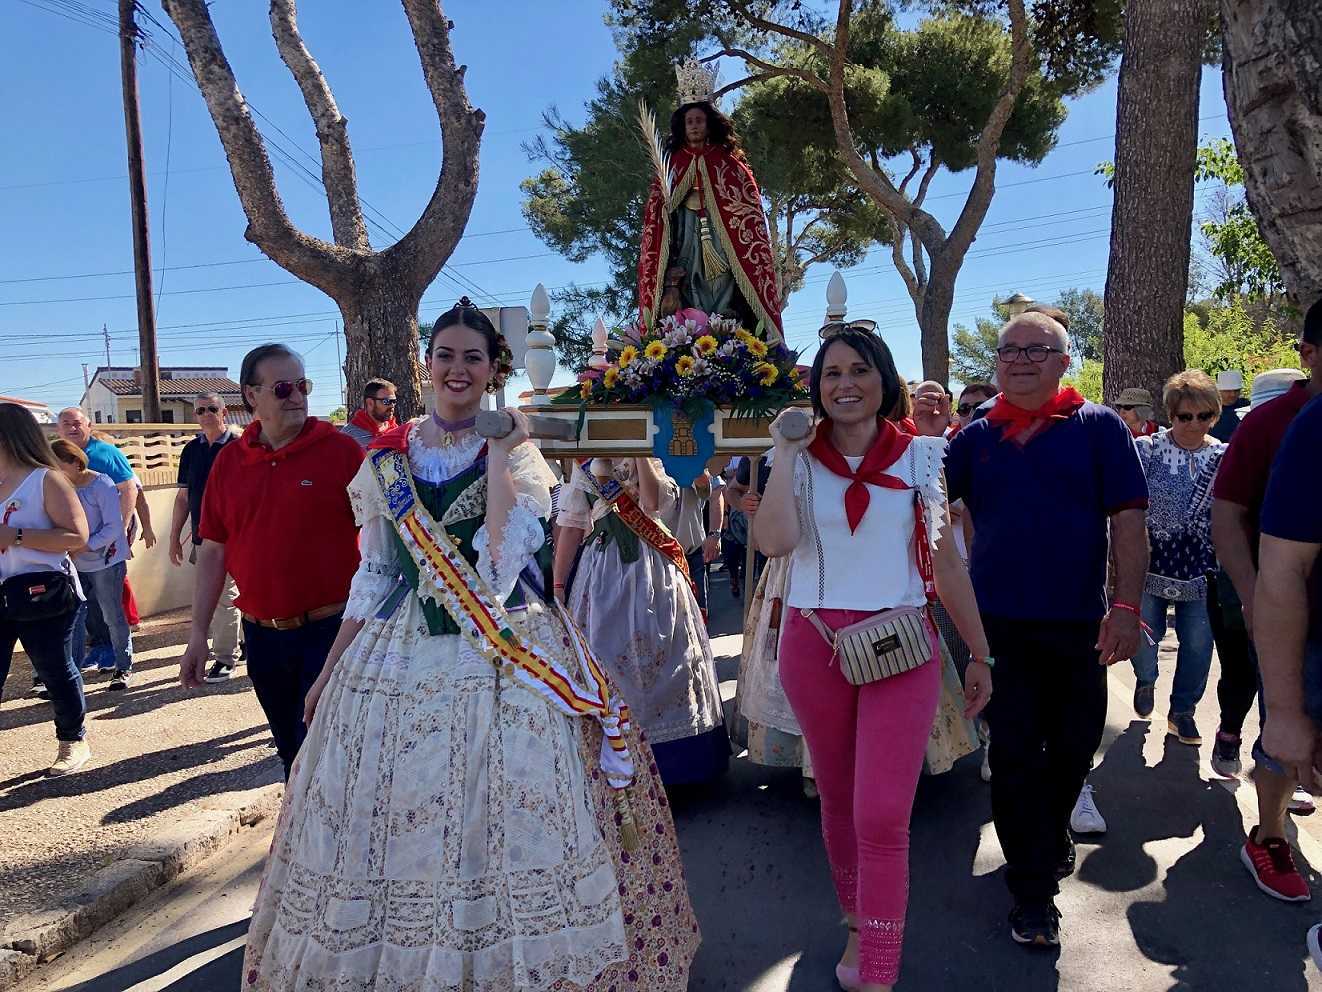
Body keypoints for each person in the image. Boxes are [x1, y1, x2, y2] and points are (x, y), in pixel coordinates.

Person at [241, 299, 699, 992]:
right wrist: (329, 672)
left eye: (473, 358)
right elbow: (375, 572)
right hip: (397, 650)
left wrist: (501, 451)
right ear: (426, 364)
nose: (458, 369)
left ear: (492, 371)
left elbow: (498, 568)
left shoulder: (518, 453)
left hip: (503, 646)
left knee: (505, 812)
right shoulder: (385, 457)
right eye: (446, 356)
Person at [752, 325, 991, 992]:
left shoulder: (922, 458)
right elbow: (773, 542)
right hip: (814, 646)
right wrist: (785, 451)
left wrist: (980, 652)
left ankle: (880, 964)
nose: (845, 384)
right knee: (837, 797)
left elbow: (946, 562)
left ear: (885, 380)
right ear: (816, 389)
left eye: (859, 370)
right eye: (831, 374)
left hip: (900, 646)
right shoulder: (796, 459)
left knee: (882, 812)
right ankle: (858, 921)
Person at [945, 312, 1149, 949]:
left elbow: (1129, 522)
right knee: (1011, 755)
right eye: (1009, 350)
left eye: (1037, 350)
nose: (1020, 360)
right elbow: (917, 498)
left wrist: (1126, 607)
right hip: (997, 631)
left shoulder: (1100, 428)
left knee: (1072, 749)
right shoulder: (974, 439)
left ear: (1064, 362)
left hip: (1079, 625)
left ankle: (1050, 830)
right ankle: (1032, 894)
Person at [178, 344, 364, 779]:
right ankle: (298, 822)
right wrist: (199, 633)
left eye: (302, 386)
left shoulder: (342, 453)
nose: (296, 396)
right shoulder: (229, 462)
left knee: (328, 757)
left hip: (331, 632)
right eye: (283, 388)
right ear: (251, 395)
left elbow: (380, 544)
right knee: (290, 754)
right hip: (262, 639)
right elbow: (213, 550)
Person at [1212, 301, 1322, 902]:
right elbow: (1226, 516)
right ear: (1308, 354)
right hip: (1294, 613)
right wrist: (1254, 599)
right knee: (1285, 723)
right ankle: (1269, 834)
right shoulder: (1272, 424)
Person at [556, 454, 729, 786]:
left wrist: (641, 451)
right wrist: (559, 585)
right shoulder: (585, 462)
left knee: (669, 659)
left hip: (654, 572)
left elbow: (652, 504)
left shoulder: (654, 458)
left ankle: (679, 766)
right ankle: (616, 761)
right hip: (602, 573)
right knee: (604, 663)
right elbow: (572, 525)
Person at [638, 58, 783, 338]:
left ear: (709, 123)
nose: (694, 126)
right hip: (686, 236)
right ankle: (692, 330)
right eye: (689, 121)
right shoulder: (671, 165)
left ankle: (724, 328)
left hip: (721, 239)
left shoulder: (729, 163)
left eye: (699, 121)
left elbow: (747, 211)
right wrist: (671, 207)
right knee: (690, 282)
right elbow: (657, 216)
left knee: (724, 281)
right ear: (682, 126)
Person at [1252, 388, 1322, 962]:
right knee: (1284, 753)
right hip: (1310, 643)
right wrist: (1284, 709)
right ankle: (1270, 835)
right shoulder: (1310, 427)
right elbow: (1280, 569)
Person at [1129, 370, 1226, 744]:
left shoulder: (1222, 456)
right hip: (1149, 563)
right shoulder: (1147, 451)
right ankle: (1145, 679)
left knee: (1199, 644)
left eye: (1205, 416)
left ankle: (1182, 712)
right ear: (1171, 414)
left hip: (1201, 569)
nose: (1195, 424)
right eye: (1186, 416)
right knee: (1144, 637)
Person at [0, 404, 91, 776]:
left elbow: (77, 537)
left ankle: (73, 740)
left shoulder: (46, 480)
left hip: (42, 592)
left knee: (54, 670)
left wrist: (15, 536)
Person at [168, 393, 242, 682]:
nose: (206, 414)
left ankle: (226, 656)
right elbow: (183, 498)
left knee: (231, 597)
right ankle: (228, 654)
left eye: (212, 409)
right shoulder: (191, 450)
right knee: (223, 596)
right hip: (205, 538)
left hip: (239, 537)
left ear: (224, 412)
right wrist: (174, 536)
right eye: (200, 410)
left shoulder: (239, 446)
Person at [51, 440, 135, 691]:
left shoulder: (102, 484)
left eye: (59, 466)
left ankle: (123, 666)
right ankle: (71, 672)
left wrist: (82, 546)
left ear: (76, 463)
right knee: (76, 618)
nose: (55, 473)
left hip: (106, 561)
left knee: (112, 615)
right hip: (75, 562)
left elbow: (113, 527)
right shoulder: (60, 488)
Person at [662, 470, 723, 623]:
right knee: (663, 623)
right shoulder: (643, 459)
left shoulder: (694, 459)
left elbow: (715, 492)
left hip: (690, 555)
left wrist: (715, 534)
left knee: (697, 621)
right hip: (654, 556)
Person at [338, 377, 398, 448]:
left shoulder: (397, 431)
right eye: (387, 401)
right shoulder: (347, 435)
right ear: (370, 403)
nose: (392, 405)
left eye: (394, 401)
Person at [1211, 369, 1248, 442]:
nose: (1232, 394)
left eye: (1236, 390)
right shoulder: (1210, 410)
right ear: (1219, 390)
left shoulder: (1246, 405)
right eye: (1228, 391)